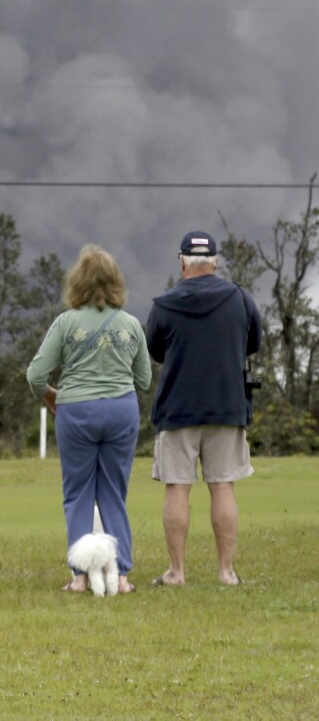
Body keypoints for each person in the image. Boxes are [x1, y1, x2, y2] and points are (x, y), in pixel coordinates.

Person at [27, 244, 152, 594]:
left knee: (78, 492)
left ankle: (80, 578)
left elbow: (35, 374)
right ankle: (122, 576)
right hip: (120, 411)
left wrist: (52, 394)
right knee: (113, 491)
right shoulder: (130, 325)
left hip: (76, 412)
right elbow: (143, 381)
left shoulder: (65, 323)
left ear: (76, 284)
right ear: (115, 283)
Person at [147, 230, 262, 587]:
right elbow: (253, 342)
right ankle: (226, 572)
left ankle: (177, 572)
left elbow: (156, 351)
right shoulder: (241, 299)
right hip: (227, 406)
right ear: (214, 262)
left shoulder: (164, 304)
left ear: (182, 263)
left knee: (177, 488)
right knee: (223, 486)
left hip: (178, 409)